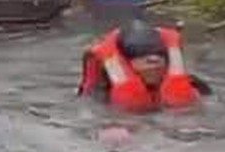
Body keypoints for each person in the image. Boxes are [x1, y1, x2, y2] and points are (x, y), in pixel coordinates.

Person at [78, 20, 208, 110]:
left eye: (159, 55)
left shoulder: (193, 85)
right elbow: (92, 114)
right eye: (143, 56)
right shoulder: (102, 92)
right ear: (126, 62)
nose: (154, 62)